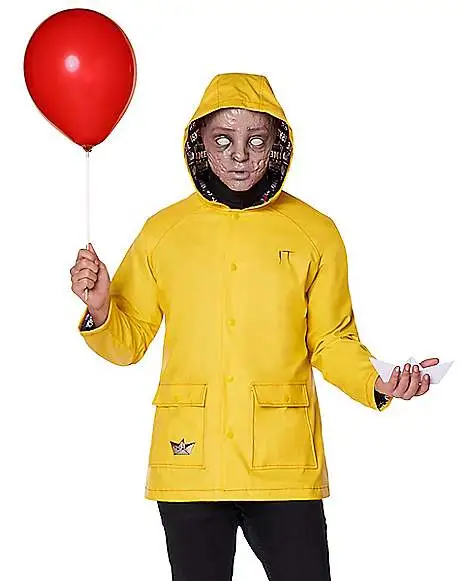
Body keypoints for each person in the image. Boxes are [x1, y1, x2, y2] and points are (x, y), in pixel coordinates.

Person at [70, 73, 440, 581]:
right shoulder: (164, 231)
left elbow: (332, 340)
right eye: (223, 140)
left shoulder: (315, 233)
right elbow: (128, 342)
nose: (240, 156)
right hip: (190, 462)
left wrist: (377, 380)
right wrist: (100, 309)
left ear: (277, 142)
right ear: (199, 141)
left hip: (282, 462)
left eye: (256, 140)